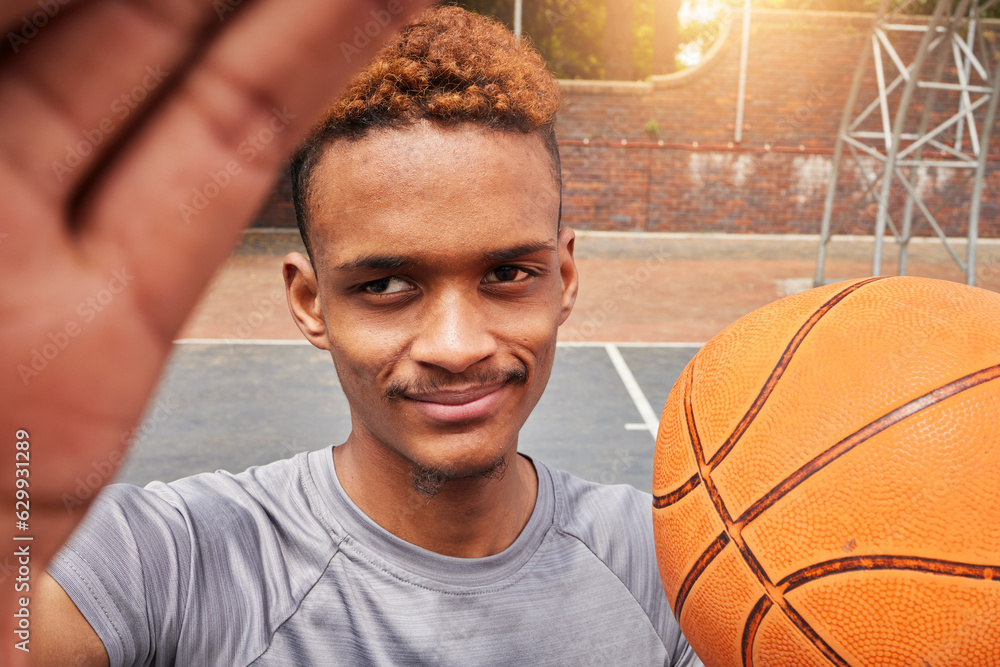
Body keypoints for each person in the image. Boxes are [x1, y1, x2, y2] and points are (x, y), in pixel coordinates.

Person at [23, 5, 702, 666]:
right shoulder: (175, 560)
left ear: (565, 276)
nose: (457, 345)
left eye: (507, 272)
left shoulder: (677, 561)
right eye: (385, 285)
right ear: (309, 300)